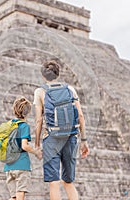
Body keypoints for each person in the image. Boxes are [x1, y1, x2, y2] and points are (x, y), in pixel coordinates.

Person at [33, 60, 90, 200]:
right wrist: (84, 140)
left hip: (51, 138)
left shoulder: (40, 91)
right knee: (68, 181)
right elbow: (80, 116)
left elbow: (39, 120)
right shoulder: (70, 89)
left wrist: (37, 144)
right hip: (70, 137)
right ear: (58, 74)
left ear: (43, 75)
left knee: (54, 182)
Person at [4, 97, 43, 200]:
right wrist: (36, 152)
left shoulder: (9, 125)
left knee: (14, 197)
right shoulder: (24, 126)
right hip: (21, 165)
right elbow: (24, 145)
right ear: (28, 112)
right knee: (20, 195)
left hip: (9, 166)